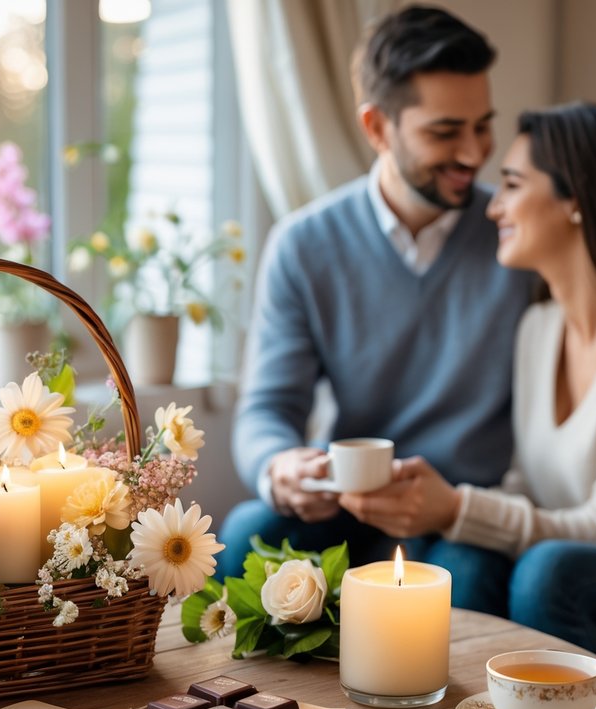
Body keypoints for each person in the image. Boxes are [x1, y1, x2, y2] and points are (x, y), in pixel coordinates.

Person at [340, 102, 596, 682]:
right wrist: (447, 517)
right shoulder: (539, 328)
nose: (493, 206)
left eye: (512, 185)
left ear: (576, 199)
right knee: (460, 560)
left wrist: (458, 506)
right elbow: (525, 485)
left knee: (548, 571)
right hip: (566, 556)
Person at [219, 5, 535, 574]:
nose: (473, 152)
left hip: (458, 514)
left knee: (471, 579)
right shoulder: (304, 244)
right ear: (376, 128)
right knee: (244, 534)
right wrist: (279, 466)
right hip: (347, 504)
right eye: (445, 132)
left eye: (483, 125)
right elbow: (267, 408)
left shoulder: (518, 233)